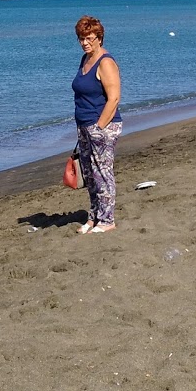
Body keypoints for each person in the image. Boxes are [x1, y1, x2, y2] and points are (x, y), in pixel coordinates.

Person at [72, 15, 122, 234]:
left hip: (102, 126)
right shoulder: (85, 60)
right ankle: (93, 216)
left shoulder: (106, 62)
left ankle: (107, 219)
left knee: (103, 173)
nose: (85, 43)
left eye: (89, 38)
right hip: (84, 125)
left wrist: (100, 126)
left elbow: (114, 98)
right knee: (89, 174)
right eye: (82, 38)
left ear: (99, 38)